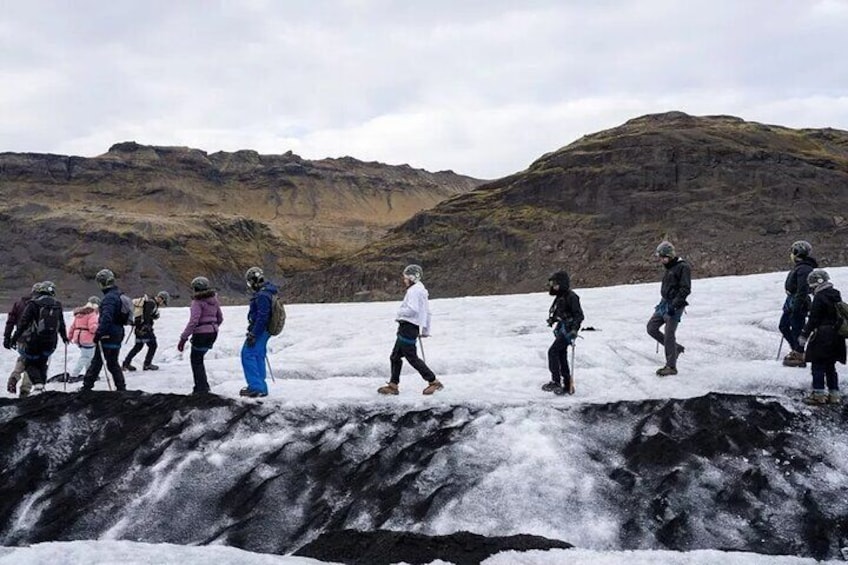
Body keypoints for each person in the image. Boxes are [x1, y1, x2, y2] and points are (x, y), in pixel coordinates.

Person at [378, 264, 443, 395]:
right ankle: (393, 385)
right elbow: (427, 312)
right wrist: (425, 330)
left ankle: (433, 381)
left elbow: (413, 309)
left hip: (407, 327)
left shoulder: (413, 291)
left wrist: (400, 312)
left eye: (406, 278)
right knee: (395, 356)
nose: (404, 280)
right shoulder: (421, 290)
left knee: (411, 357)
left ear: (412, 278)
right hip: (410, 328)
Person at [10, 281, 69, 393]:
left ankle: (38, 385)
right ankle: (41, 385)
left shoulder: (33, 304)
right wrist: (64, 337)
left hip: (35, 340)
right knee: (42, 362)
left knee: (29, 363)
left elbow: (23, 323)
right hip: (51, 341)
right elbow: (61, 323)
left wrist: (14, 338)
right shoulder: (57, 305)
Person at [798, 269, 844, 405]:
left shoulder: (819, 297)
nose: (811, 289)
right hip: (836, 335)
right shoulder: (836, 294)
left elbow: (813, 319)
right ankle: (834, 394)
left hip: (822, 335)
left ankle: (818, 395)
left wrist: (804, 335)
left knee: (817, 365)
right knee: (830, 366)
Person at [647, 240, 691, 376]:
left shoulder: (683, 267)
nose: (660, 260)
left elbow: (685, 289)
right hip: (663, 303)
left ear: (669, 256)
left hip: (674, 306)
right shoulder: (670, 267)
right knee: (651, 328)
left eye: (662, 257)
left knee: (669, 334)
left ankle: (671, 366)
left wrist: (675, 305)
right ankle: (675, 348)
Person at [81, 269, 128, 392]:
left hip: (108, 334)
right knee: (112, 362)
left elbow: (107, 318)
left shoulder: (109, 298)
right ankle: (121, 388)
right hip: (118, 333)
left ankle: (86, 387)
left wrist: (99, 333)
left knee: (97, 362)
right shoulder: (118, 294)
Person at [178, 276, 223, 395]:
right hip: (213, 332)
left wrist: (183, 338)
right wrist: (212, 327)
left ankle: (201, 388)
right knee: (200, 358)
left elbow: (193, 321)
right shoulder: (214, 300)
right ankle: (203, 386)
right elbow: (220, 318)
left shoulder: (197, 302)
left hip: (201, 334)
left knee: (196, 360)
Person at [542, 271, 584, 395]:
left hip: (568, 330)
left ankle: (556, 381)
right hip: (563, 329)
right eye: (552, 284)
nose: (553, 287)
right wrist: (553, 319)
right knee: (561, 354)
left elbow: (579, 315)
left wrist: (574, 330)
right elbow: (560, 312)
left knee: (553, 351)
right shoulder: (561, 297)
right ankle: (567, 383)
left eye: (555, 284)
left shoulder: (572, 297)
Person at [240, 267, 278, 398]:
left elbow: (262, 316)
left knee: (247, 354)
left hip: (260, 330)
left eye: (250, 283)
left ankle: (256, 387)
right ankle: (260, 386)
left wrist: (254, 333)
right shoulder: (268, 292)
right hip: (266, 330)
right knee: (258, 355)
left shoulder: (262, 295)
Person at [779, 240, 818, 368]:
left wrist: (797, 306)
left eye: (793, 251)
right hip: (792, 302)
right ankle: (797, 350)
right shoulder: (801, 267)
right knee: (784, 326)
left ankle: (799, 353)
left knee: (796, 328)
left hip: (797, 303)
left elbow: (802, 289)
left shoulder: (804, 268)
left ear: (797, 253)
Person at [122, 291, 170, 371]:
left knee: (138, 346)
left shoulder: (149, 302)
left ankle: (126, 363)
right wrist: (148, 326)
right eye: (163, 301)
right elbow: (146, 315)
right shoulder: (151, 303)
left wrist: (153, 316)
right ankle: (147, 364)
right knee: (153, 345)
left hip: (138, 327)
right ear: (161, 298)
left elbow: (146, 314)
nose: (162, 303)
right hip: (145, 329)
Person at [4, 290, 33, 397]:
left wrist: (7, 337)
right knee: (33, 363)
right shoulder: (37, 305)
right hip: (34, 339)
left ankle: (14, 377)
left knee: (23, 357)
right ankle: (25, 389)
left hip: (20, 338)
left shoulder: (18, 303)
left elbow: (10, 321)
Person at [66, 296, 100, 381]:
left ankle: (90, 373)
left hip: (78, 338)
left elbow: (73, 326)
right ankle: (74, 375)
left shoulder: (80, 313)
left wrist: (69, 337)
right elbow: (92, 328)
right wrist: (99, 330)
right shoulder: (92, 314)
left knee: (89, 356)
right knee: (85, 357)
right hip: (87, 339)